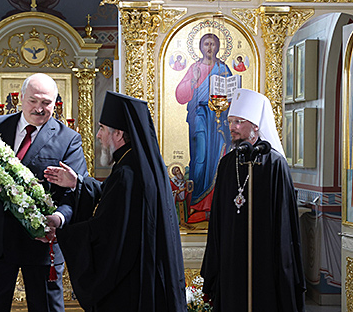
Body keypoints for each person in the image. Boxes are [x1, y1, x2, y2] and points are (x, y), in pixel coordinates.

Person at [44, 91, 187, 312]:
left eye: (102, 128)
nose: (98, 135)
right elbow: (114, 200)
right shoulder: (135, 164)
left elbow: (109, 231)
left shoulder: (127, 172)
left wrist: (63, 233)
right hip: (144, 274)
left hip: (130, 285)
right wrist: (77, 183)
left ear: (118, 133)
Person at [0, 73, 88, 312]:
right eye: (33, 101)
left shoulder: (69, 140)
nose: (39, 108)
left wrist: (58, 219)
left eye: (46, 103)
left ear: (56, 103)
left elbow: (75, 192)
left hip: (42, 241)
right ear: (21, 98)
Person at [201, 88, 306, 312]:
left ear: (255, 125)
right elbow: (218, 219)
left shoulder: (275, 165)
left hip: (265, 259)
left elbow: (285, 223)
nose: (232, 127)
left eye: (239, 122)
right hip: (230, 260)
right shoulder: (228, 164)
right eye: (230, 121)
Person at [175, 33, 233, 222]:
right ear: (200, 47)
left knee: (218, 157)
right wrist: (193, 81)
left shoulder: (223, 68)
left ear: (218, 47)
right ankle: (197, 205)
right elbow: (180, 95)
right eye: (206, 44)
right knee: (200, 159)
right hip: (199, 116)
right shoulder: (195, 68)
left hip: (218, 119)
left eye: (213, 44)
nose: (209, 48)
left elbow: (232, 94)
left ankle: (215, 205)